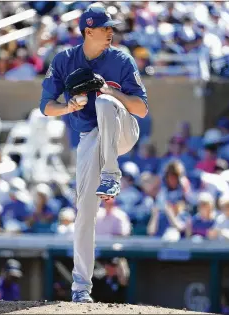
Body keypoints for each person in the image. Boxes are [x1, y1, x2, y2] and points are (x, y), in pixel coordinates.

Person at [39, 6, 148, 302]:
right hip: (90, 138)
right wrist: (67, 107)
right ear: (88, 31)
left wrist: (110, 92)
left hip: (123, 131)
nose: (111, 31)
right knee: (85, 213)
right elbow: (46, 106)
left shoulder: (121, 59)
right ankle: (80, 288)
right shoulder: (64, 60)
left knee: (104, 104)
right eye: (105, 28)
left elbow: (141, 108)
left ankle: (112, 174)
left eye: (112, 27)